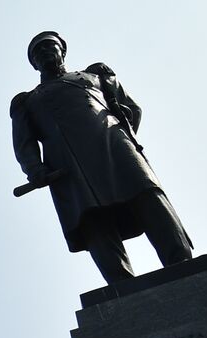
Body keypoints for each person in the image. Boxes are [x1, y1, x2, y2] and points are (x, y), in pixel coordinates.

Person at [11, 30, 193, 284]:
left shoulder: (95, 75)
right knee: (92, 219)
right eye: (37, 52)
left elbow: (132, 108)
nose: (44, 52)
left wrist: (121, 136)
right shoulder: (28, 101)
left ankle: (181, 260)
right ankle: (120, 285)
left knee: (149, 196)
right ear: (33, 64)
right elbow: (24, 142)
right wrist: (35, 169)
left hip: (115, 147)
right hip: (70, 165)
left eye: (49, 46)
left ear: (62, 51)